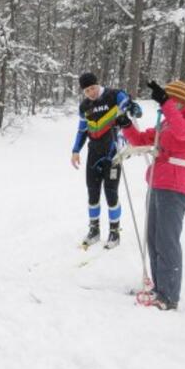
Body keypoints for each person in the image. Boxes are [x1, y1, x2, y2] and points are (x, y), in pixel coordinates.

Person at [117, 80, 185, 310]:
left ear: (180, 99)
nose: (168, 104)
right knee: (154, 238)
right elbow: (142, 140)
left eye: (170, 99)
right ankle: (159, 287)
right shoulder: (167, 121)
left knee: (167, 242)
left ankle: (169, 295)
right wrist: (127, 126)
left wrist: (166, 103)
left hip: (175, 186)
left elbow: (184, 132)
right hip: (157, 182)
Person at [71, 72, 139, 249]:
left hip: (113, 153)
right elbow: (82, 130)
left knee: (111, 194)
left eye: (92, 88)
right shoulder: (84, 106)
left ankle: (114, 232)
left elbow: (128, 104)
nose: (91, 93)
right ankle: (94, 230)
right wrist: (75, 150)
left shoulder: (113, 95)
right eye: (86, 91)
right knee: (92, 193)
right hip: (93, 153)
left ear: (97, 84)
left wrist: (133, 107)